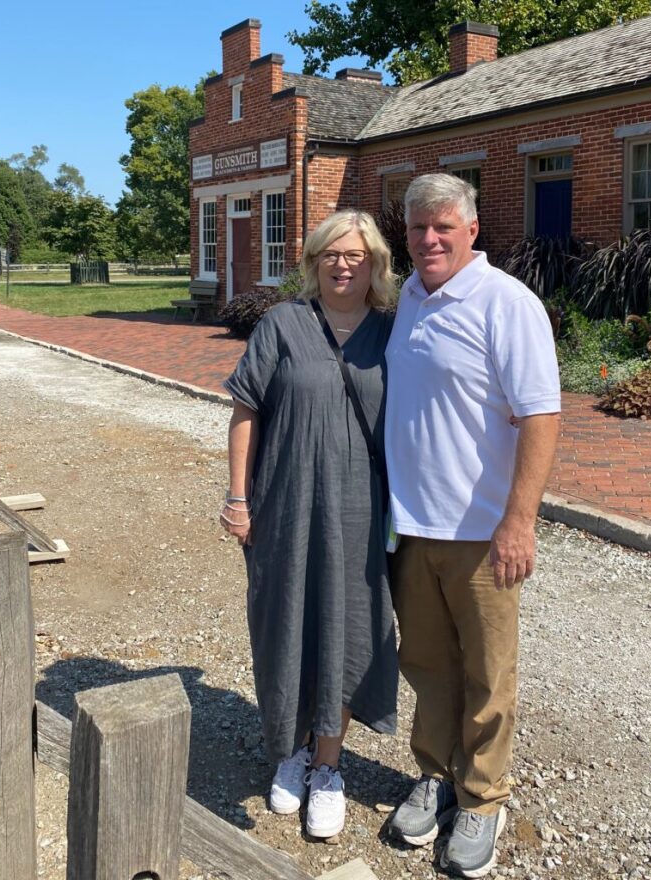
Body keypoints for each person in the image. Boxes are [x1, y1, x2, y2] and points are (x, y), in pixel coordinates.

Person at [385, 173, 561, 877]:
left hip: (482, 532)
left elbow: (542, 416)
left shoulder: (506, 304)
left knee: (489, 672)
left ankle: (484, 796)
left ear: (471, 230)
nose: (429, 239)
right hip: (413, 527)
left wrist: (520, 520)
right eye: (417, 228)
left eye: (443, 227)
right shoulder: (407, 297)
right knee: (426, 665)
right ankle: (435, 774)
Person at [221, 209, 398, 839]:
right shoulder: (282, 323)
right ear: (313, 261)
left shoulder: (391, 330)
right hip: (284, 504)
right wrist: (237, 498)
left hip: (360, 512)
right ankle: (290, 752)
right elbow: (246, 409)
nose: (343, 265)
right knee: (286, 623)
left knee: (347, 628)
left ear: (375, 263)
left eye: (356, 255)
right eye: (331, 255)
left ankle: (329, 764)